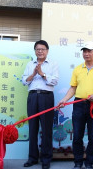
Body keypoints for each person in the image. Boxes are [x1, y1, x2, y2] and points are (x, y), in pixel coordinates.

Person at [58, 42, 93, 169]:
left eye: (89, 51)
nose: (86, 54)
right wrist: (64, 100)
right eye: (84, 51)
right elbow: (73, 88)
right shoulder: (78, 69)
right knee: (77, 136)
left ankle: (89, 163)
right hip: (79, 105)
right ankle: (78, 162)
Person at [22, 40, 59, 169]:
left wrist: (42, 73)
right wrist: (34, 73)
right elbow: (24, 81)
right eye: (38, 49)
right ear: (35, 51)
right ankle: (32, 158)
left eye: (43, 49)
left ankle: (46, 159)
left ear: (47, 51)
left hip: (46, 97)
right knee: (32, 128)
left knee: (47, 129)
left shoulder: (53, 64)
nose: (40, 51)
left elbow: (54, 81)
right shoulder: (29, 64)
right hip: (32, 96)